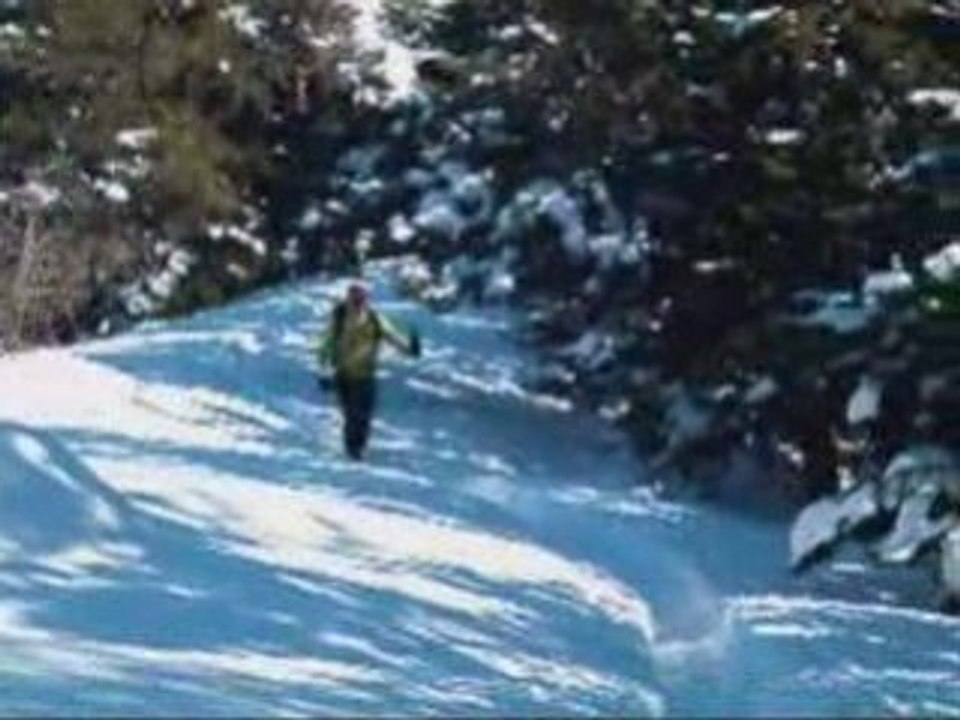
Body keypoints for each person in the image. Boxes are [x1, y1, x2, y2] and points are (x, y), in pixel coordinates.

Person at [317, 282, 420, 460]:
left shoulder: (374, 318)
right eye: (354, 296)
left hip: (366, 375)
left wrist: (409, 349)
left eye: (361, 296)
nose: (357, 300)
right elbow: (326, 343)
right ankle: (352, 448)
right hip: (344, 375)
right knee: (351, 414)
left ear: (366, 298)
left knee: (363, 414)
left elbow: (392, 336)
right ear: (348, 297)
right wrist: (323, 370)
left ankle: (358, 447)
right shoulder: (339, 318)